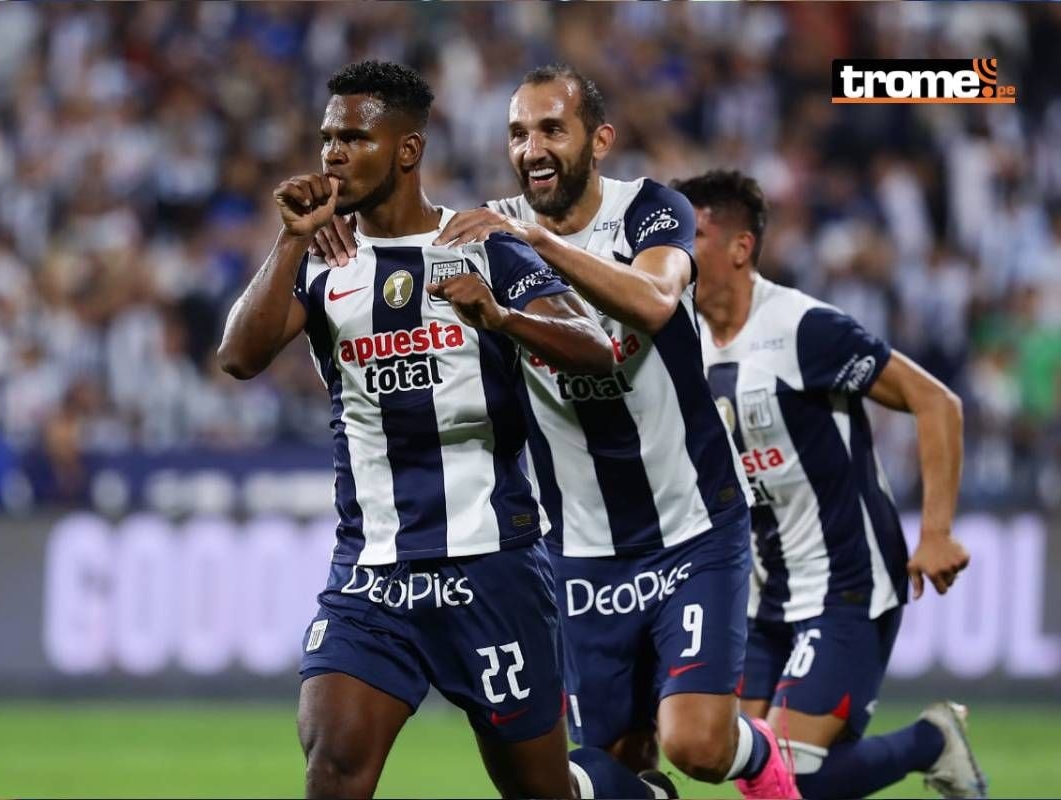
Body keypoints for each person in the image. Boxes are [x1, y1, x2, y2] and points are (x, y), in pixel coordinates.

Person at [315, 64, 797, 800]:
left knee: (695, 742)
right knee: (613, 772)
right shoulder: (484, 232)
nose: (532, 147)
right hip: (578, 549)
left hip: (693, 526)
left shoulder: (650, 212)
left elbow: (657, 301)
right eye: (517, 133)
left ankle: (759, 758)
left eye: (551, 129)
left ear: (598, 140)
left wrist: (536, 242)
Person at [218, 61, 616, 800]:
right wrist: (288, 242)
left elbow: (594, 347)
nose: (333, 153)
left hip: (491, 567)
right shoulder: (323, 260)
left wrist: (501, 318)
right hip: (374, 574)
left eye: (354, 138)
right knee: (333, 767)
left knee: (540, 792)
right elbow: (238, 357)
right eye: (327, 137)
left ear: (406, 151)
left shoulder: (483, 246)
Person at [676, 168, 987, 799]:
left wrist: (936, 533)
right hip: (761, 598)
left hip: (846, 584)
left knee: (794, 779)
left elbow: (937, 403)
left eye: (695, 234)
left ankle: (933, 738)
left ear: (740, 248)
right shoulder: (684, 347)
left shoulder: (800, 327)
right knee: (740, 767)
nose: (678, 249)